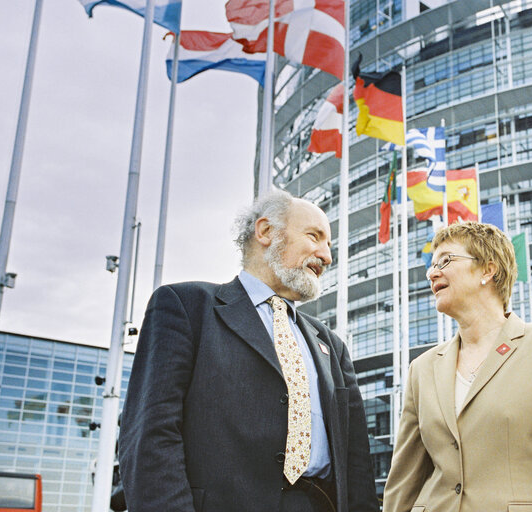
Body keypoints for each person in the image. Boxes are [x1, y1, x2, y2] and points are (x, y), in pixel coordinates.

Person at [119, 190, 379, 512]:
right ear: (266, 231)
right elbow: (150, 439)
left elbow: (356, 464)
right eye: (315, 236)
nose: (326, 256)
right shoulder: (187, 308)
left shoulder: (332, 346)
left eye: (329, 245)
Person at [382, 222, 532, 512]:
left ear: (487, 270)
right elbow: (404, 482)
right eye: (432, 265)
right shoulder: (422, 369)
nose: (432, 272)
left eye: (446, 260)